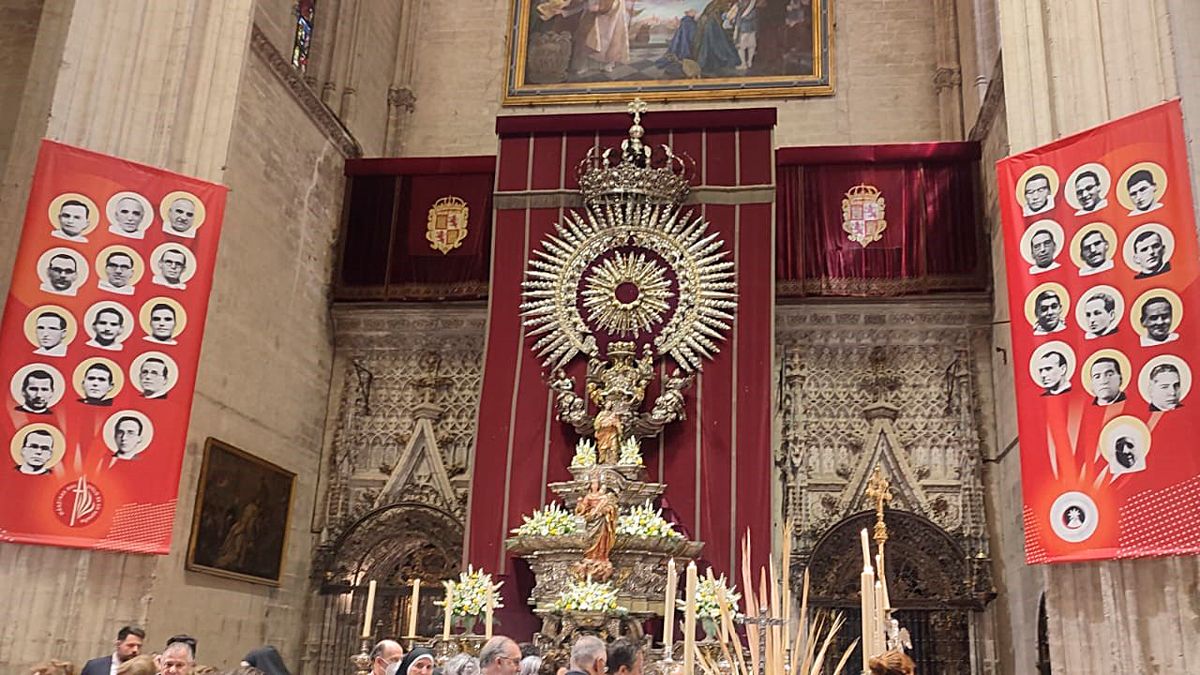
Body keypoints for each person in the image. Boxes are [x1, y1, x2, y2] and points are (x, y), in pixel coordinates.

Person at [81, 625, 145, 675]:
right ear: (118, 644)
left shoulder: (144, 671)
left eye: (139, 646)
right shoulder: (94, 666)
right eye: (131, 645)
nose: (135, 650)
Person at [726, 0, 759, 71]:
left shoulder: (748, 5)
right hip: (747, 27)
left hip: (745, 28)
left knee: (744, 45)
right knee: (747, 46)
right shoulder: (741, 4)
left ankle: (746, 63)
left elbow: (748, 15)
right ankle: (746, 63)